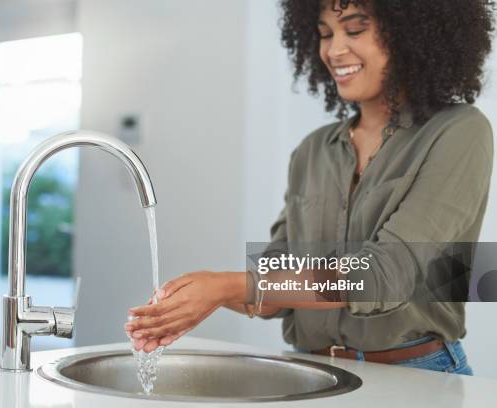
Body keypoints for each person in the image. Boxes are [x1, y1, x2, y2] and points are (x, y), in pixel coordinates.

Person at [125, 0, 496, 375]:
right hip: (314, 370)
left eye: (354, 29)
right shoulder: (313, 150)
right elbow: (275, 290)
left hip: (418, 375)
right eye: (324, 34)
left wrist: (225, 287)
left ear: (412, 32)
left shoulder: (459, 131)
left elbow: (384, 276)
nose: (334, 50)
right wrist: (191, 302)